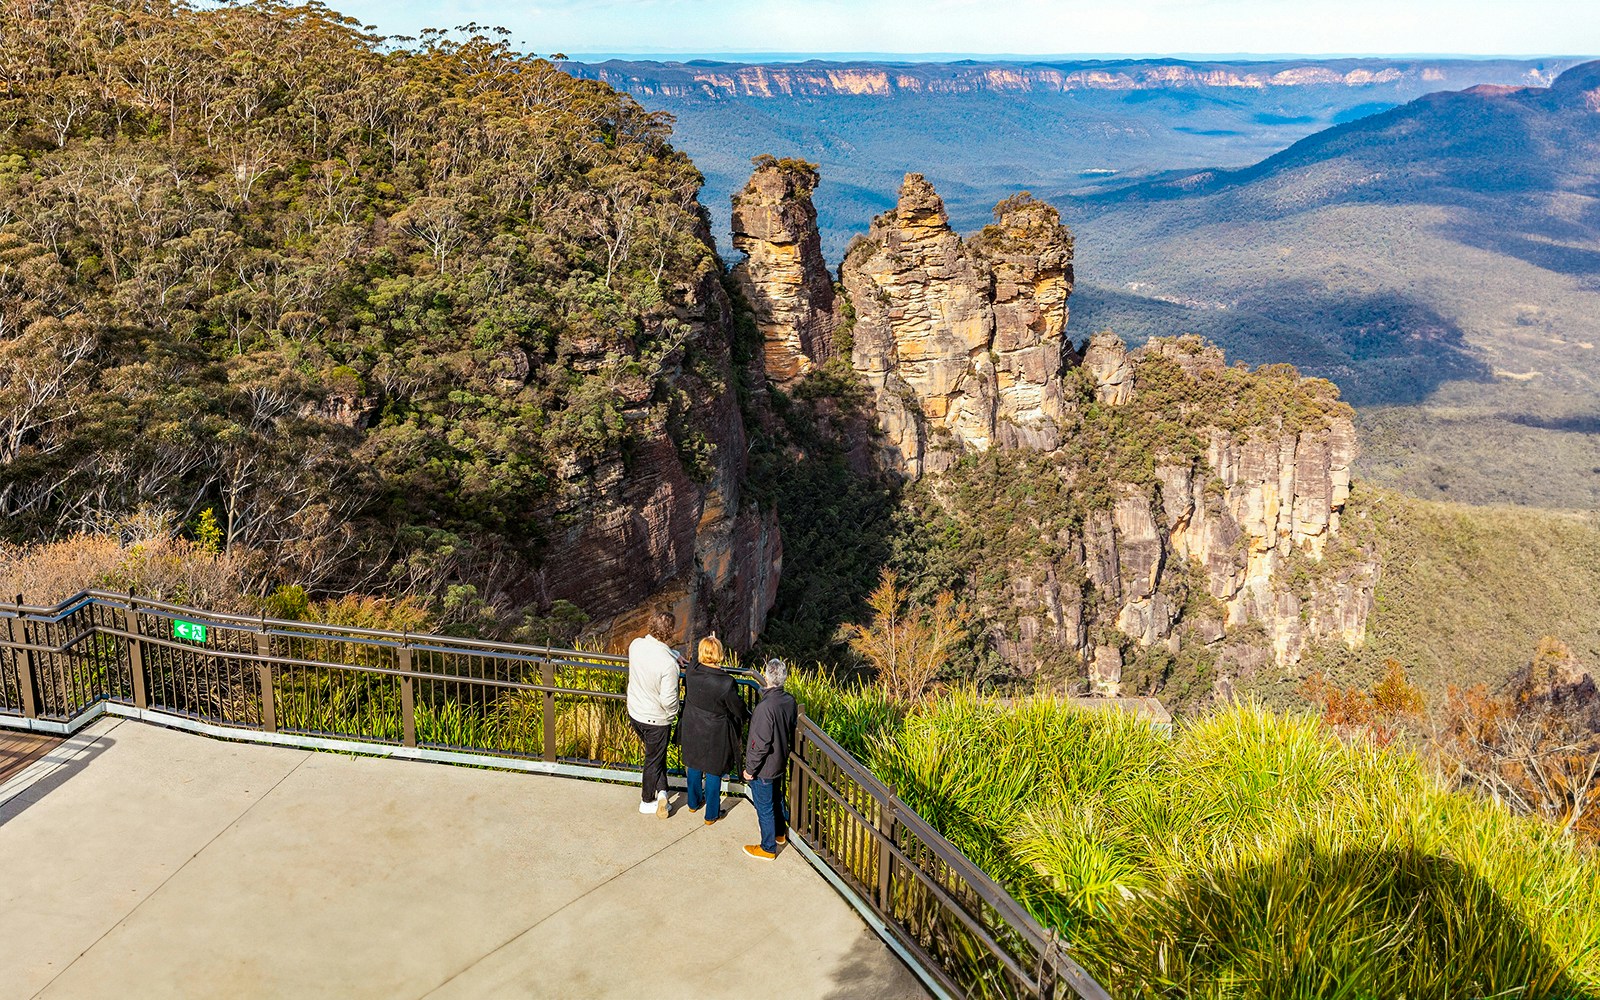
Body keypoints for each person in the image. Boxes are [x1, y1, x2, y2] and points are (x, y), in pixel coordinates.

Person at [679, 633, 749, 826]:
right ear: (720, 654)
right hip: (714, 731)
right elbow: (738, 709)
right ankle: (711, 814)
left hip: (692, 725)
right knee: (713, 771)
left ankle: (693, 803)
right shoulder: (725, 683)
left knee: (692, 764)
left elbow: (693, 661)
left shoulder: (692, 670)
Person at [627, 609, 681, 819]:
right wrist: (673, 713)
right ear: (669, 633)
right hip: (656, 720)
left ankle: (662, 792)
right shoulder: (668, 666)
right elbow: (669, 701)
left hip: (635, 713)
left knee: (656, 755)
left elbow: (658, 650)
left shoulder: (636, 645)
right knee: (653, 759)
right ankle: (646, 800)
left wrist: (676, 655)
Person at [742, 657, 797, 861]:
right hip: (780, 761)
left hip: (765, 767)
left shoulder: (765, 708)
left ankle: (767, 847)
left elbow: (760, 744)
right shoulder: (788, 700)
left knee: (764, 807)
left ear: (766, 676)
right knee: (776, 798)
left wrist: (750, 770)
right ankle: (780, 834)